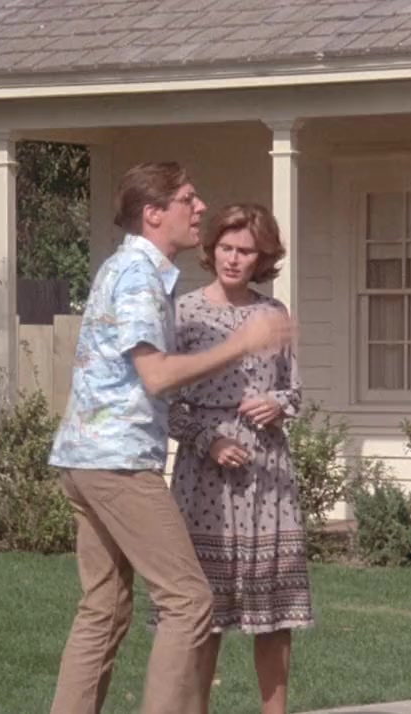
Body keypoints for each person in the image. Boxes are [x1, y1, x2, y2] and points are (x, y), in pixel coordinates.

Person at [47, 162, 294, 714]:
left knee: (105, 609)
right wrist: (241, 343)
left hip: (85, 460)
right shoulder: (138, 277)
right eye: (188, 199)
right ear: (154, 214)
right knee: (188, 600)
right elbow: (156, 376)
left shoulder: (127, 269)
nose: (200, 207)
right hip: (117, 464)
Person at [153, 203, 314, 714]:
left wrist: (277, 404)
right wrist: (209, 441)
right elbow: (165, 402)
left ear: (262, 257)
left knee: (275, 614)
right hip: (205, 478)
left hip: (267, 475)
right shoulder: (185, 312)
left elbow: (295, 391)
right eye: (226, 247)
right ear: (212, 249)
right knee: (204, 612)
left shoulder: (273, 314)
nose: (234, 259)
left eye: (246, 251)